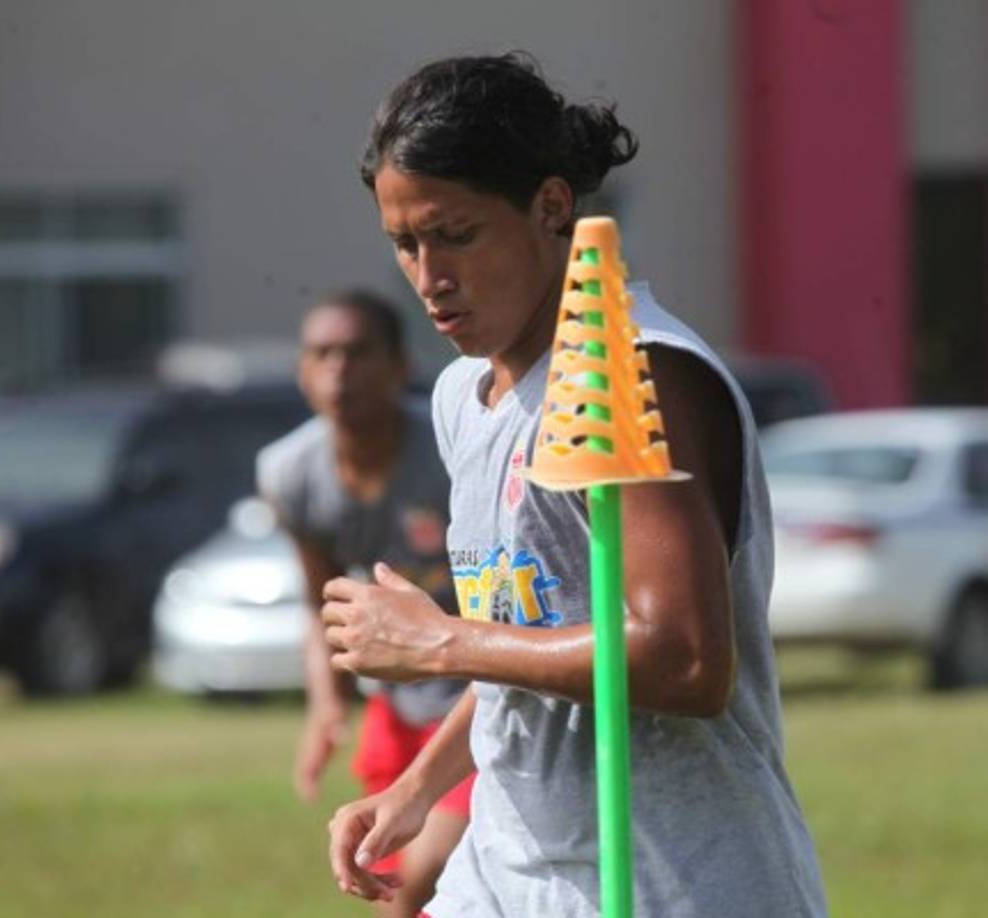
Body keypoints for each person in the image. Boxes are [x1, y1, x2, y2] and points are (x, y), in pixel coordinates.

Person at [321, 53, 827, 917]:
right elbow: (531, 642)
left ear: (553, 207)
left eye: (456, 234)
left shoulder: (635, 373)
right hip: (506, 875)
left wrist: (441, 642)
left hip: (672, 883)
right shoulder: (462, 395)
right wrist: (417, 785)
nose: (429, 277)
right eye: (405, 244)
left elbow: (685, 659)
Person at [256, 288, 474, 918]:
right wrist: (326, 706)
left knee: (427, 869)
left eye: (356, 353)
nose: (339, 370)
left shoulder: (450, 449)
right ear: (302, 371)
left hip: (477, 697)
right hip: (397, 705)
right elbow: (319, 601)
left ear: (400, 366)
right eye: (322, 354)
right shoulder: (290, 472)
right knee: (387, 882)